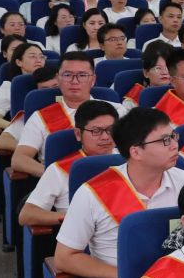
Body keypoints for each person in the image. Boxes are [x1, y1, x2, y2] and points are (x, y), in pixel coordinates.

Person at [50, 107, 184, 278]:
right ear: (135, 151)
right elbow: (65, 257)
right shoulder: (93, 193)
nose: (174, 145)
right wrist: (124, 275)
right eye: (164, 140)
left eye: (174, 136)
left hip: (179, 274)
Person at [17, 100, 120, 236]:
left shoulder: (131, 161)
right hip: (83, 240)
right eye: (96, 131)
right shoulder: (59, 170)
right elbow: (26, 215)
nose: (105, 137)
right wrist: (72, 218)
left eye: (110, 130)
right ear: (78, 134)